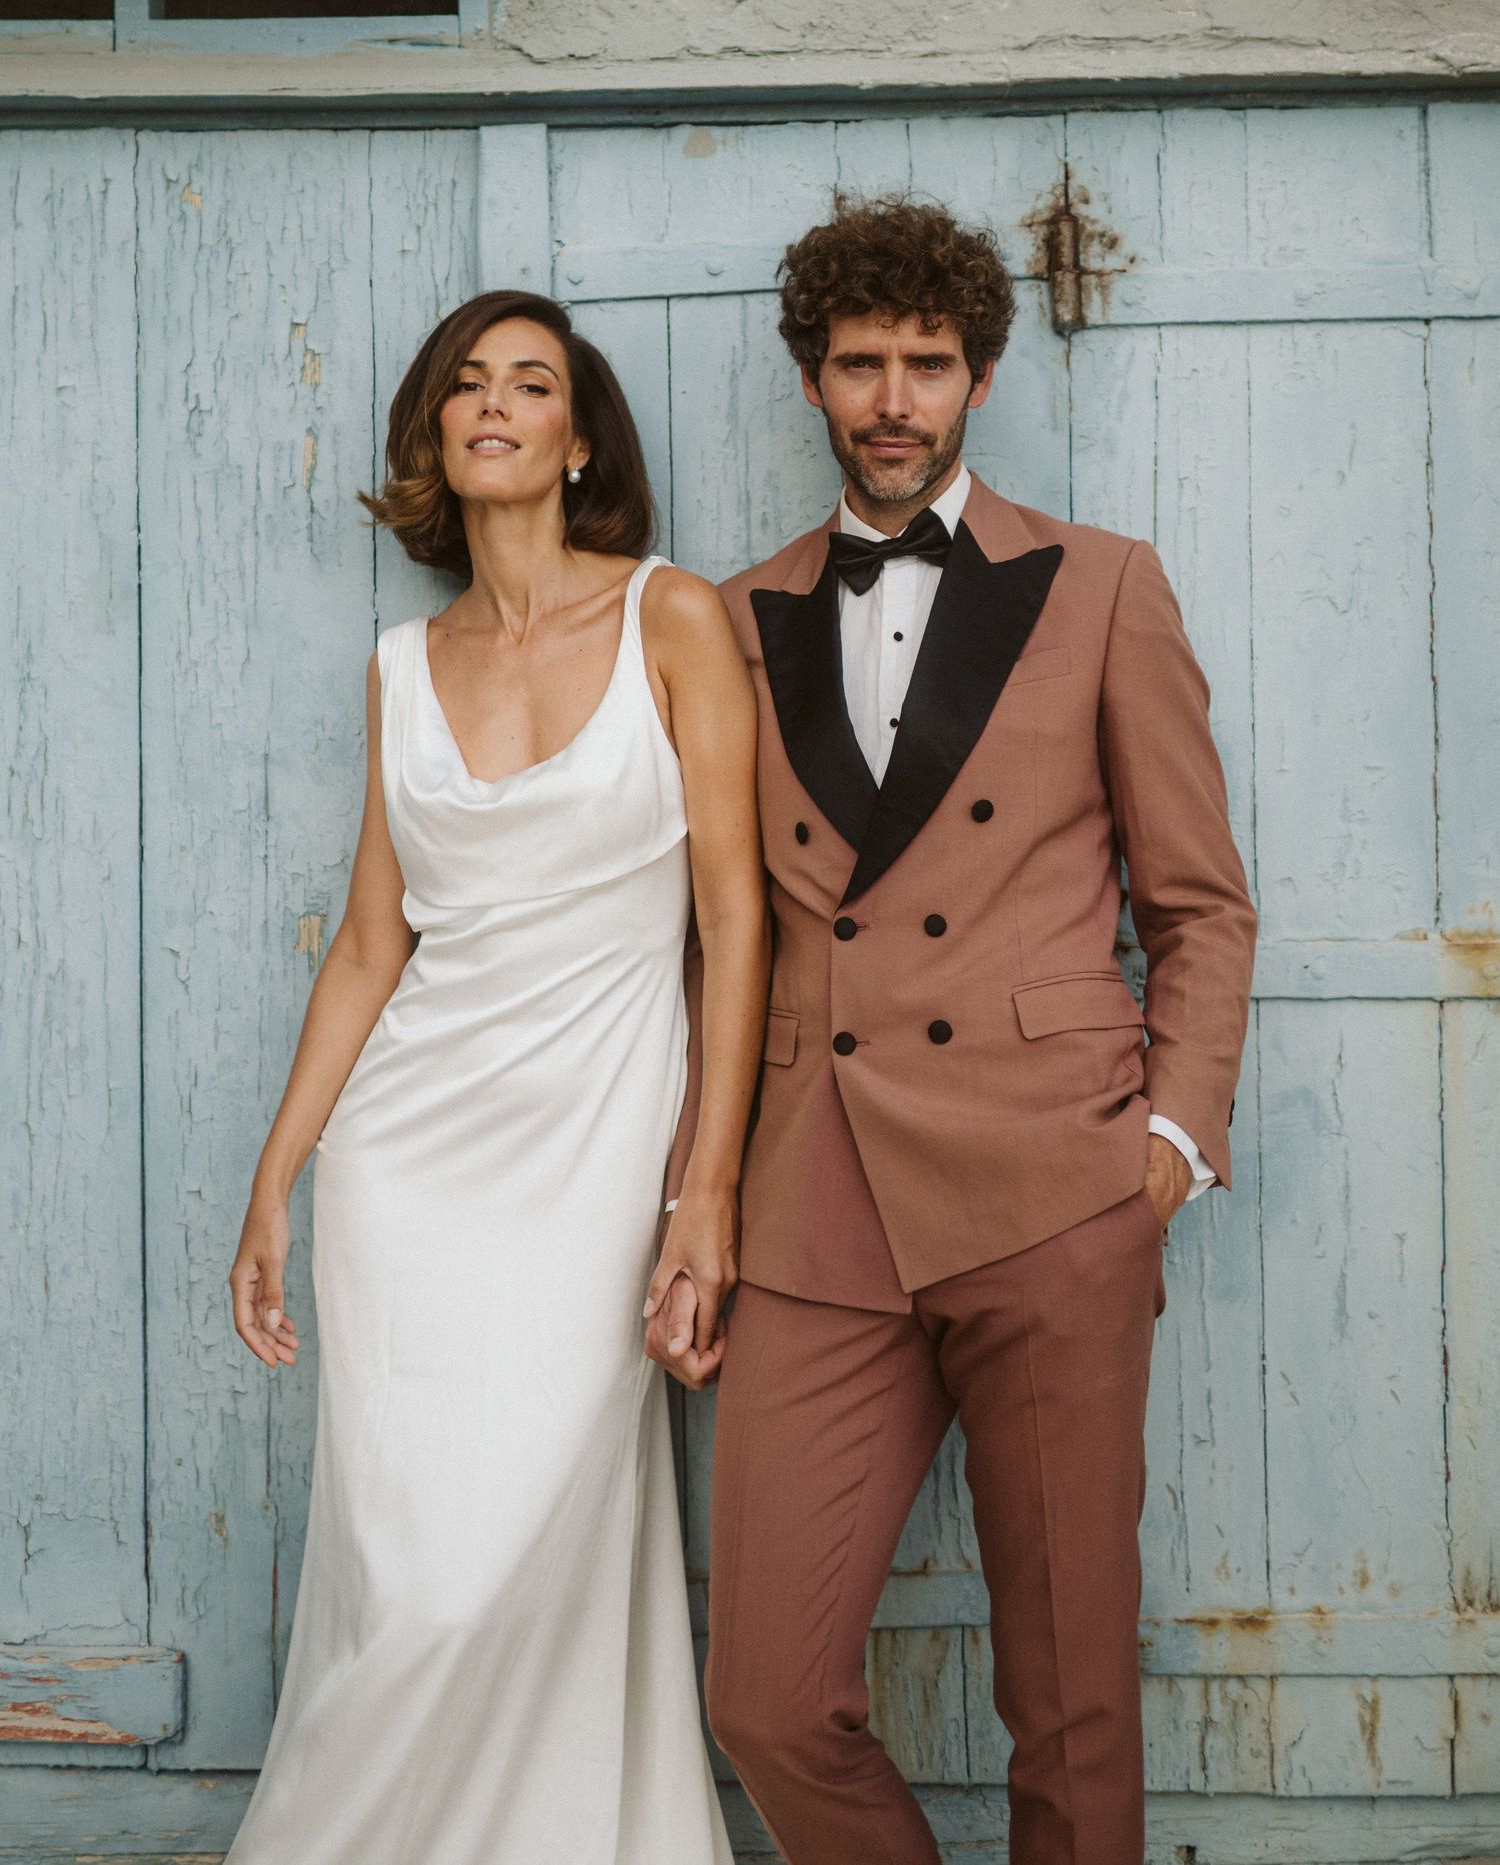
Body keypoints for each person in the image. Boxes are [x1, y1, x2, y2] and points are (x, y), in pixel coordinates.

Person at [650, 196, 1258, 1865]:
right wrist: (698, 1199)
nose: (894, 397)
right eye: (861, 364)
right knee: (764, 1695)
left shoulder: (1105, 586)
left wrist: (1170, 1140)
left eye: (928, 362)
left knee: (1071, 1700)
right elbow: (720, 941)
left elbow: (1200, 902)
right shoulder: (730, 614)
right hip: (815, 1200)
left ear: (980, 375)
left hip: (1054, 1189)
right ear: (814, 382)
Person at [226, 290, 766, 1865]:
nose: (495, 403)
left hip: (598, 1158)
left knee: (515, 1546)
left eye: (532, 383)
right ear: (434, 435)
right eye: (466, 383)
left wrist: (704, 1192)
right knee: (405, 1560)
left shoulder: (675, 616)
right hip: (408, 1165)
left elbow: (736, 921)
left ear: (578, 438)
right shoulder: (402, 664)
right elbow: (367, 949)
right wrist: (278, 1177)